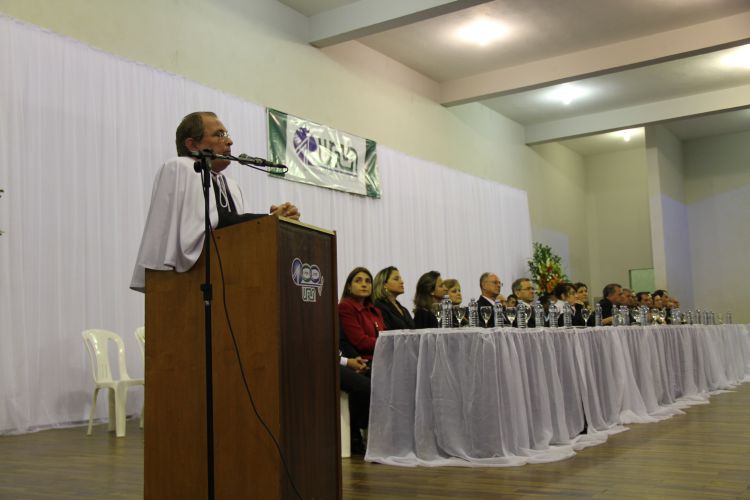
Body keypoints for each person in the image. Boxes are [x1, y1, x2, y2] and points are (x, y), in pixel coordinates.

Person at [131, 111, 299, 291]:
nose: (229, 141)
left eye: (227, 134)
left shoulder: (231, 185)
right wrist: (268, 219)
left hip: (228, 283)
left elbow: (241, 232)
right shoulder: (181, 167)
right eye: (219, 135)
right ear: (192, 144)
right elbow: (212, 221)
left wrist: (271, 222)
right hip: (184, 284)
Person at [339, 267, 385, 360]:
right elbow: (361, 342)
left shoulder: (375, 310)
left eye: (368, 281)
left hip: (382, 359)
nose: (364, 285)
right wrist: (387, 344)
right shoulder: (345, 307)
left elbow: (385, 336)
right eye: (358, 281)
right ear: (349, 287)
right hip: (362, 362)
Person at [339, 351, 370, 455]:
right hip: (325, 363)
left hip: (343, 357)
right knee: (364, 387)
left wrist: (354, 359)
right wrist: (347, 361)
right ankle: (354, 431)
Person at [372, 266, 415, 330]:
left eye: (400, 279)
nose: (402, 282)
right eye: (396, 279)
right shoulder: (379, 307)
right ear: (384, 284)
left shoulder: (404, 309)